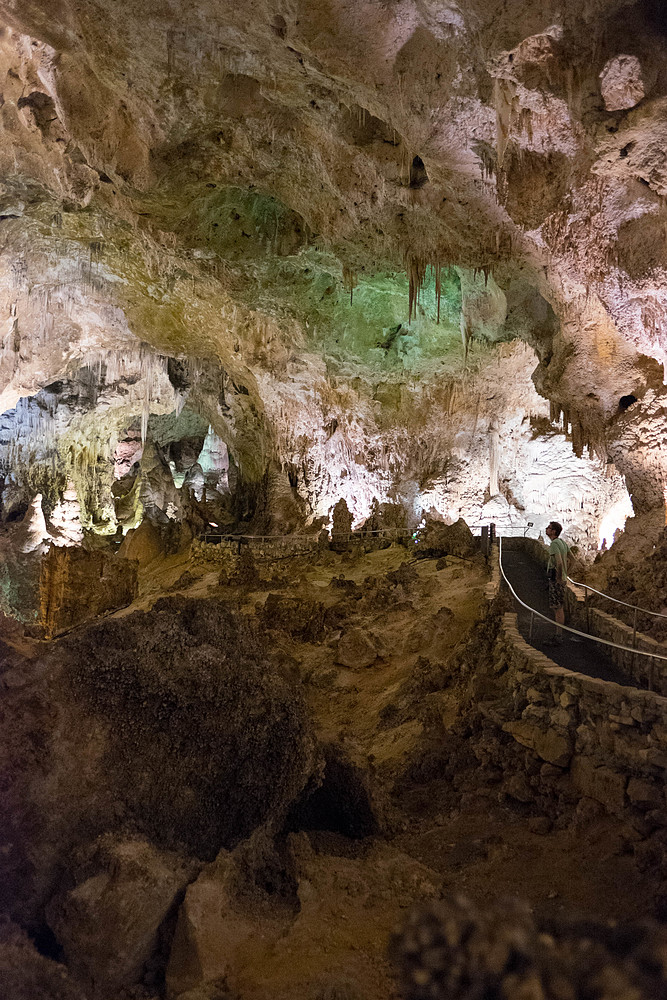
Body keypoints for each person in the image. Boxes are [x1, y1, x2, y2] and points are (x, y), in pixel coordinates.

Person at [544, 520, 568, 645]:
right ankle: (559, 634)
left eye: (549, 528)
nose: (546, 529)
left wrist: (558, 578)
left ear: (553, 531)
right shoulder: (563, 543)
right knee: (559, 608)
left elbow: (558, 562)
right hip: (562, 579)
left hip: (556, 580)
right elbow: (573, 560)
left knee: (557, 608)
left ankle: (558, 636)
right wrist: (566, 574)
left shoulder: (554, 544)